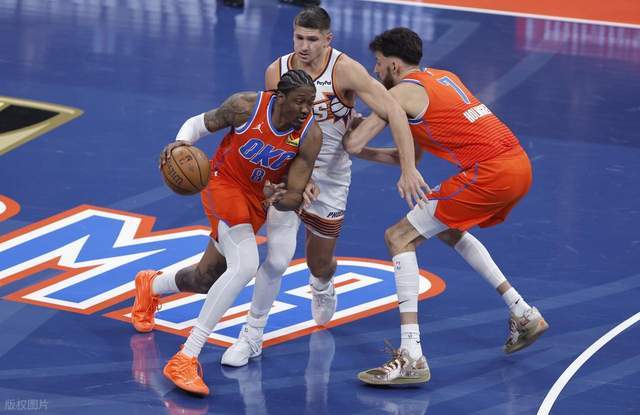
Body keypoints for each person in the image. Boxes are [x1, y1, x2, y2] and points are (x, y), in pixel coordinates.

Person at [220, 6, 428, 367]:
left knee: (319, 263)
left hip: (331, 177)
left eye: (312, 39)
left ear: (327, 39)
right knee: (277, 259)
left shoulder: (345, 70)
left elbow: (394, 110)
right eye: (298, 37)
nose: (303, 46)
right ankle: (251, 336)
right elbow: (272, 125)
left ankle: (322, 285)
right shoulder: (277, 71)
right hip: (289, 171)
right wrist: (294, 177)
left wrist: (407, 167)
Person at [343, 27, 549, 385]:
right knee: (446, 229)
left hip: (491, 173)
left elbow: (353, 142)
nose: (375, 70)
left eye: (377, 63)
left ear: (393, 65)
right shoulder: (443, 76)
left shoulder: (400, 92)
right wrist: (393, 161)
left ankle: (411, 356)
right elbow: (408, 154)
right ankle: (522, 311)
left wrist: (344, 124)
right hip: (517, 165)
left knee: (398, 237)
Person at [131, 69, 322, 396]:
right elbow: (198, 123)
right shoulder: (245, 106)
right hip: (224, 184)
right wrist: (181, 145)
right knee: (246, 265)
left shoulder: (310, 135)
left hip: (260, 200)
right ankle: (186, 356)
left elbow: (294, 196)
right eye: (300, 102)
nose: (306, 110)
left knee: (206, 278)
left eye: (311, 103)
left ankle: (152, 285)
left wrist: (278, 198)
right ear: (279, 98)